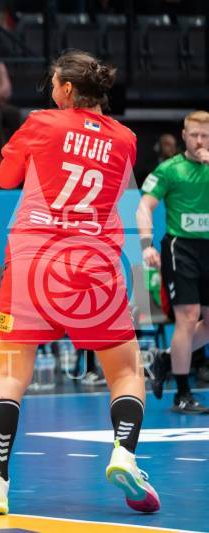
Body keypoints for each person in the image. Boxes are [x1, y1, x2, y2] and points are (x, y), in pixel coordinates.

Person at [0, 51, 159, 515]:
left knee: (11, 374)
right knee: (125, 371)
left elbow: (5, 178)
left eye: (54, 83)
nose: (51, 90)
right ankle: (124, 454)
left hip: (33, 261)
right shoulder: (126, 139)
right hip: (93, 263)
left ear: (67, 89)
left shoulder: (42, 122)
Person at [138, 110, 209, 413]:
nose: (199, 140)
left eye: (205, 135)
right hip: (181, 247)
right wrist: (146, 245)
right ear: (183, 136)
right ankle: (182, 393)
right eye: (194, 135)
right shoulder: (170, 170)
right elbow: (144, 207)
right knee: (188, 316)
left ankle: (165, 358)